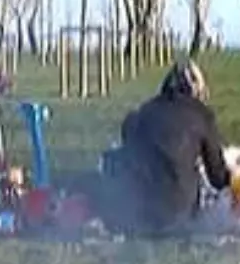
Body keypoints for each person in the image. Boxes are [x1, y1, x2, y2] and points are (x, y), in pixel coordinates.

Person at [97, 58, 231, 236]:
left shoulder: (144, 112)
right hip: (182, 215)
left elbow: (127, 150)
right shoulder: (202, 115)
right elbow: (218, 178)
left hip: (141, 214)